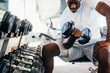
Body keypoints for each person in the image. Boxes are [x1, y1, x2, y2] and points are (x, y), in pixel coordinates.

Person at [42, 0, 110, 73]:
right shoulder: (64, 16)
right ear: (67, 2)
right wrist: (73, 38)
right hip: (74, 46)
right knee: (47, 49)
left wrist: (108, 40)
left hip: (92, 44)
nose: (73, 6)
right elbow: (66, 44)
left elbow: (108, 11)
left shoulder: (89, 2)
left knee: (105, 53)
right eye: (70, 3)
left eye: (76, 3)